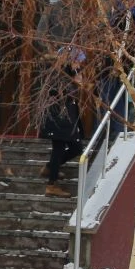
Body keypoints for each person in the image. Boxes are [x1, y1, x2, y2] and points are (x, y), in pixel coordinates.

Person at [98, 0, 135, 141]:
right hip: (119, 65)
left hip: (114, 65)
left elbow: (115, 37)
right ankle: (111, 134)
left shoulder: (121, 15)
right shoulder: (131, 13)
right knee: (114, 101)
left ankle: (112, 136)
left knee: (111, 102)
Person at [41, 65, 84, 199]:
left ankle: (50, 168)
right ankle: (51, 185)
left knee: (75, 148)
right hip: (59, 121)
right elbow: (56, 95)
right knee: (58, 150)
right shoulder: (59, 79)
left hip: (64, 122)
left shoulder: (68, 79)